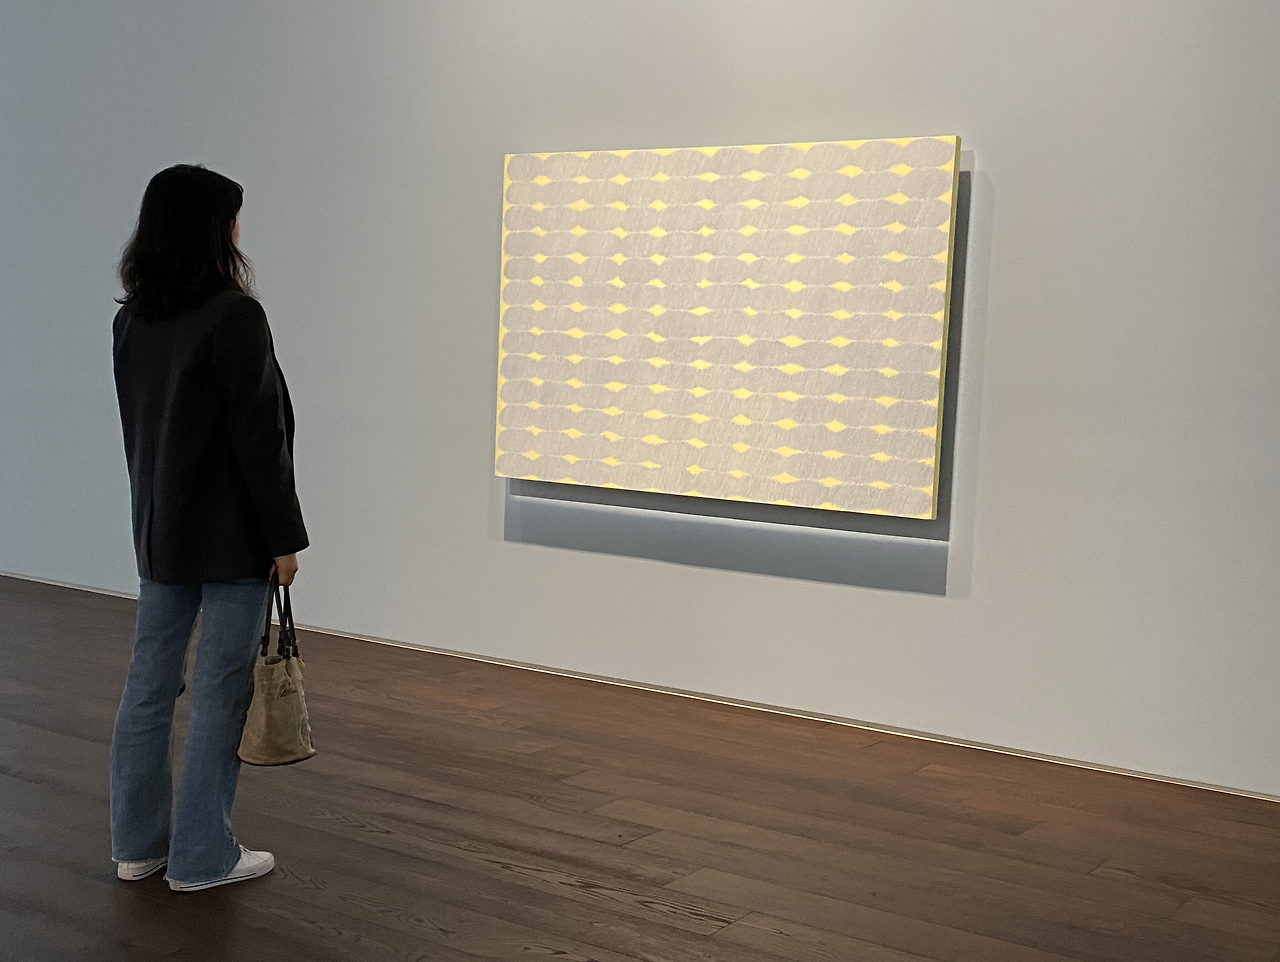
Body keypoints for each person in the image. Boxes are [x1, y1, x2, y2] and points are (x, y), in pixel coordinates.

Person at [109, 164, 308, 892]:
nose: (238, 230)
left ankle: (137, 846)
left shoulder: (132, 320)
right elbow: (260, 439)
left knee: (150, 685)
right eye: (232, 217)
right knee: (222, 692)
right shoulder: (234, 316)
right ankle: (201, 857)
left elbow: (144, 433)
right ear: (213, 228)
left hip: (161, 532)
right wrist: (284, 539)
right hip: (231, 536)